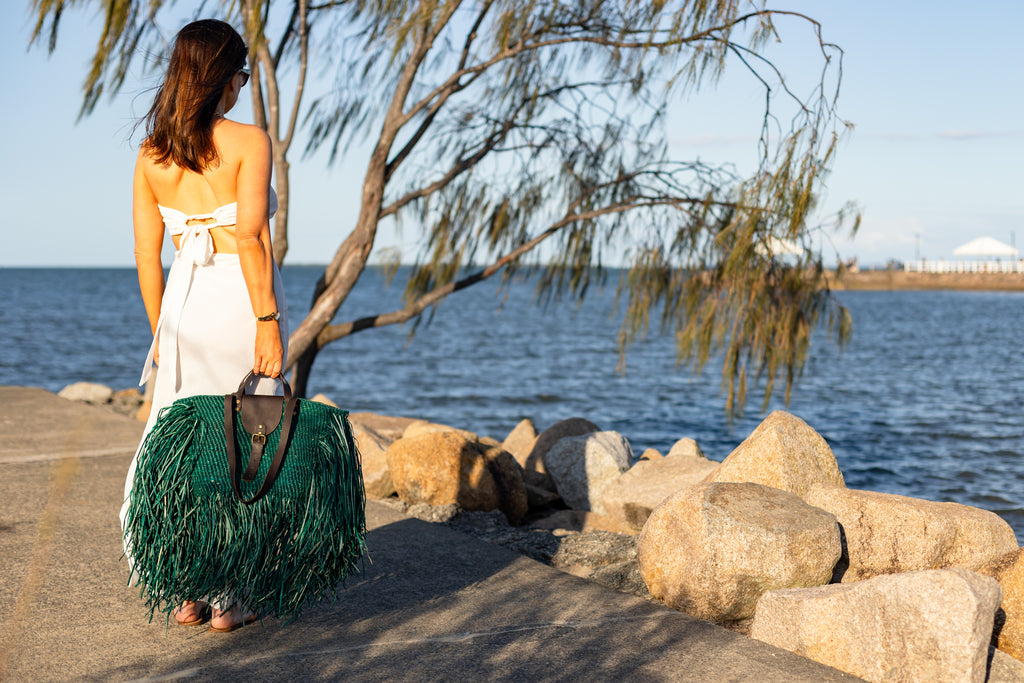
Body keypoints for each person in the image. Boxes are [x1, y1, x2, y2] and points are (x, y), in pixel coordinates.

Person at [119, 19, 288, 632]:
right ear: (225, 76)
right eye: (241, 75)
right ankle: (230, 598)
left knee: (185, 448)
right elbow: (248, 237)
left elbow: (145, 254)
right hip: (240, 304)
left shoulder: (151, 153)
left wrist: (162, 331)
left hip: (182, 311)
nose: (243, 87)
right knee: (247, 443)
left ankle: (185, 590)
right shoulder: (250, 141)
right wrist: (266, 322)